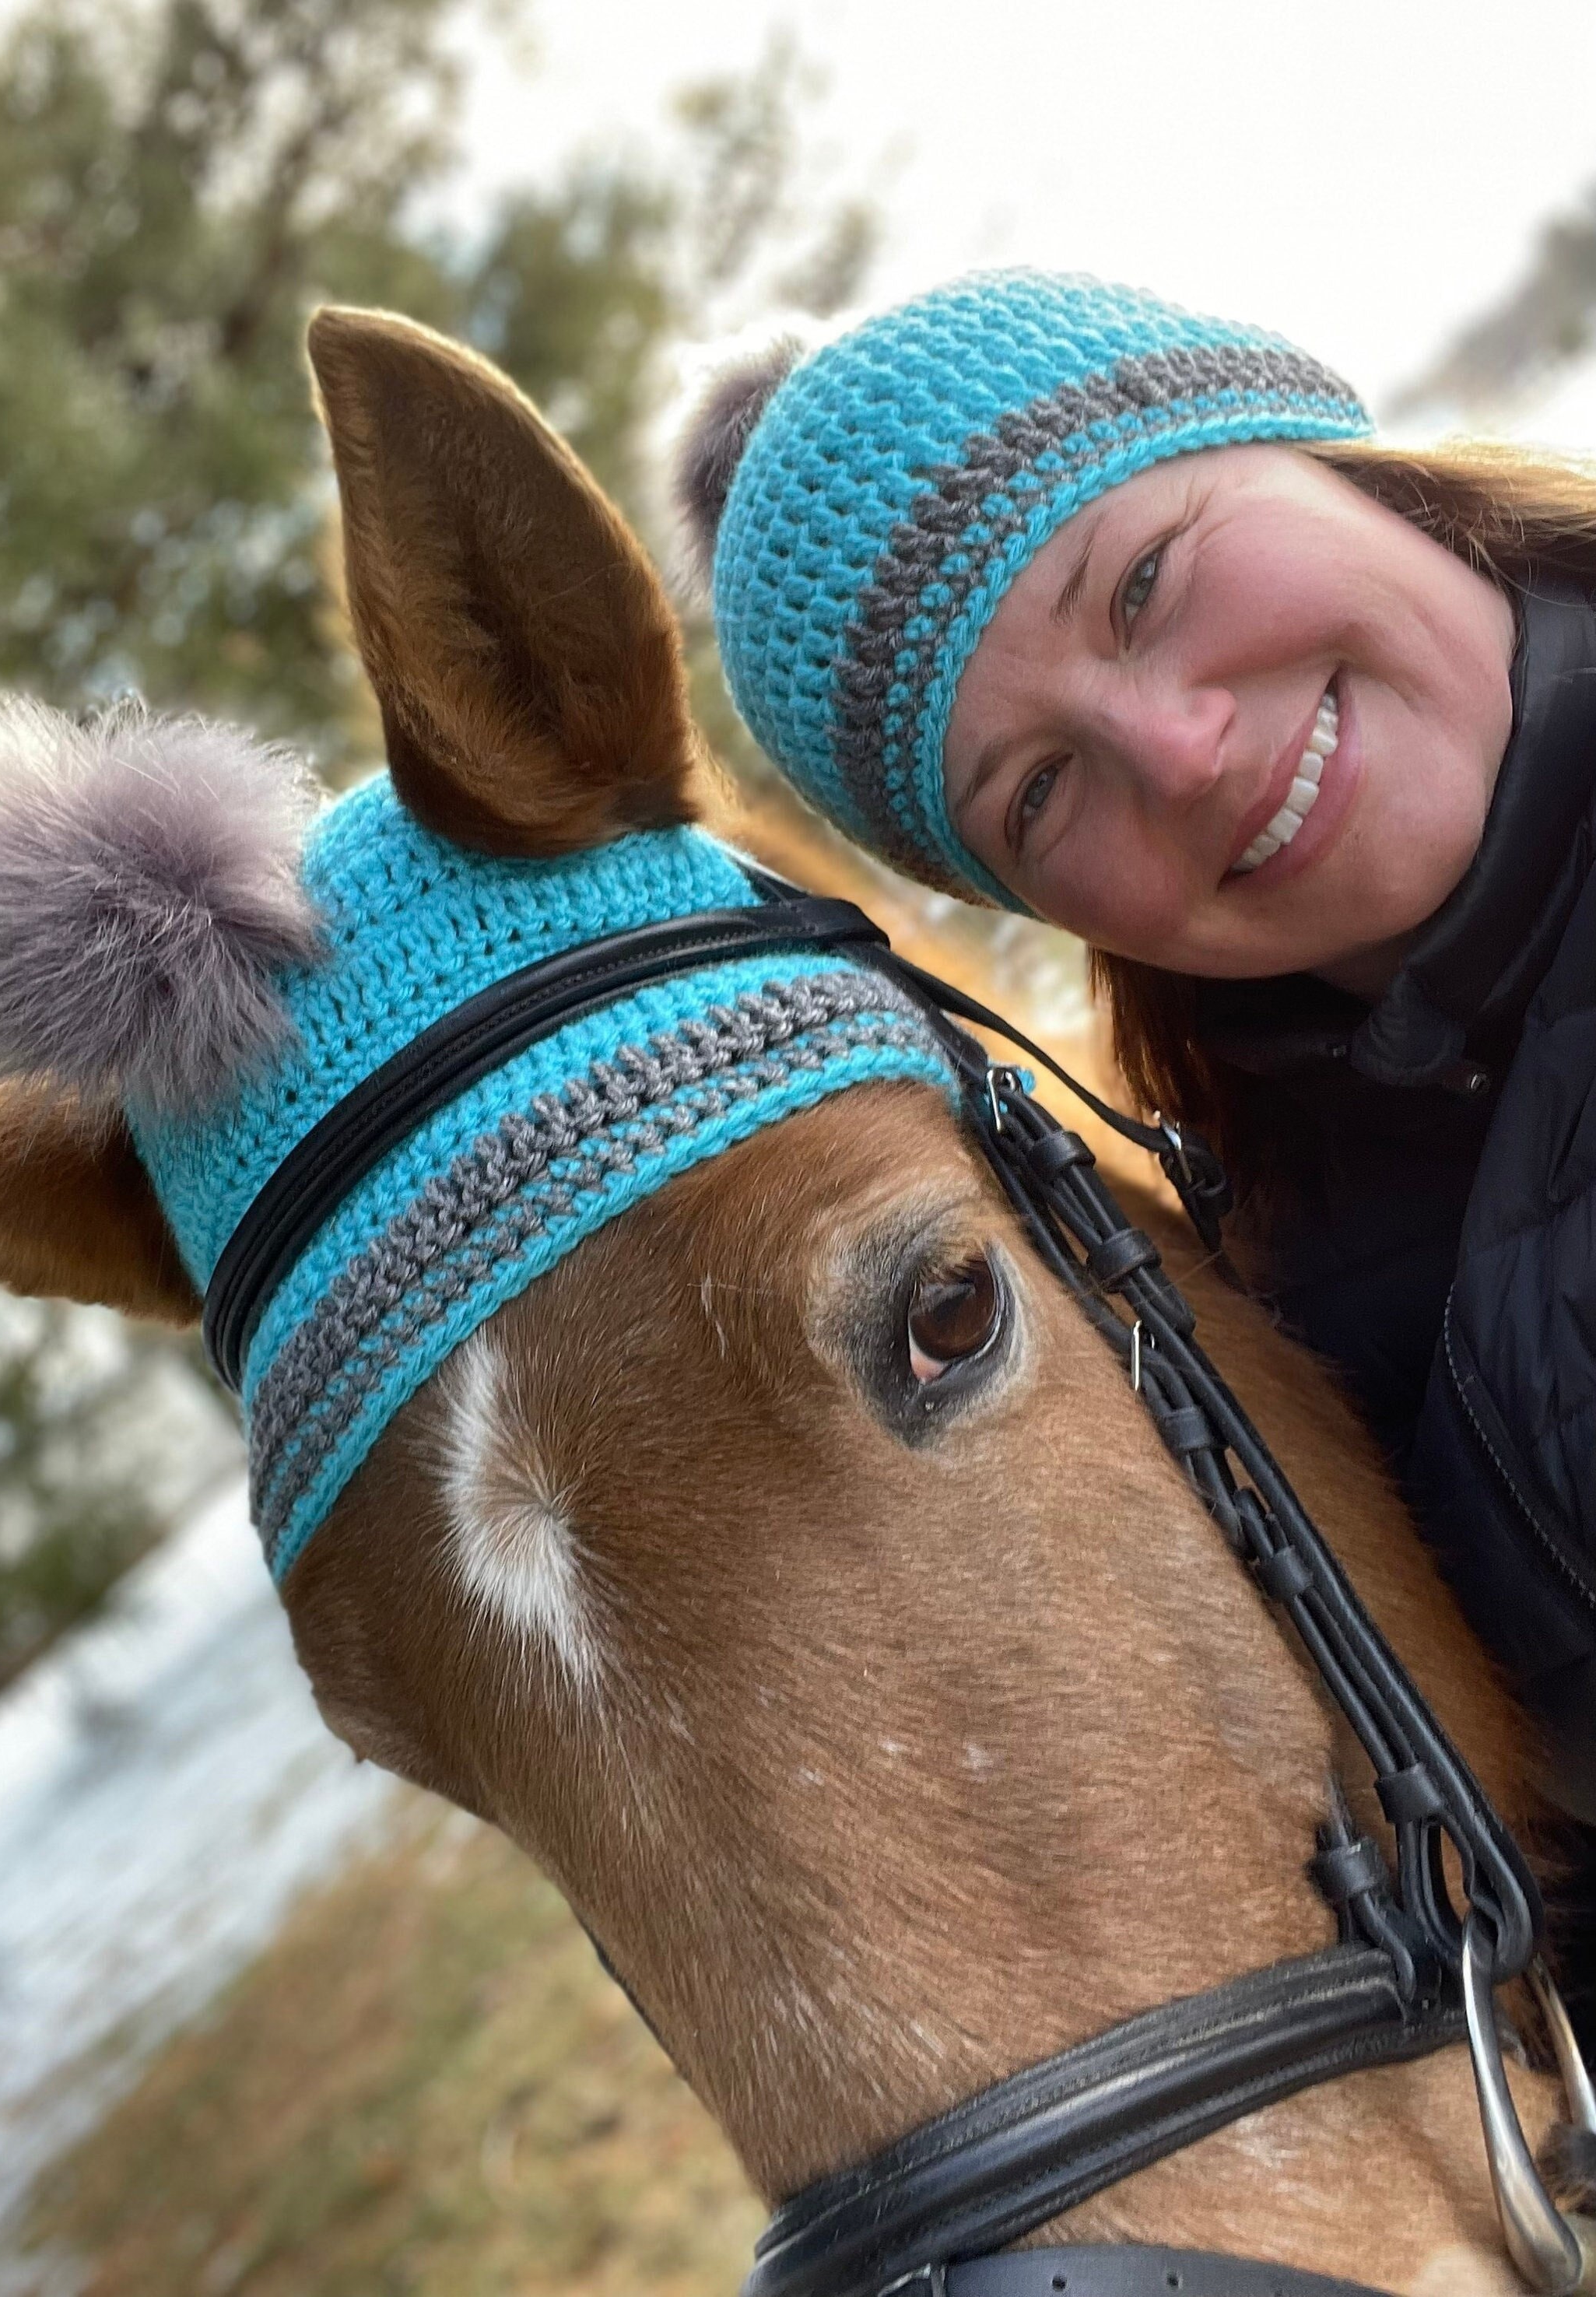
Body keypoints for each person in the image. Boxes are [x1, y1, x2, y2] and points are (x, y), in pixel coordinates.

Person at [674, 271, 1596, 1816]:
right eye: (1037, 792)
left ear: (1300, 439)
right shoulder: (1269, 1334)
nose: (1180, 754)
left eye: (1142, 584)